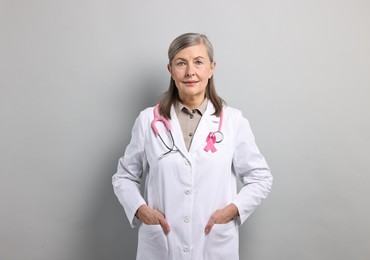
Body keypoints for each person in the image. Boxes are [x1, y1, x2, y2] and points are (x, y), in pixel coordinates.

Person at [112, 32, 273, 260]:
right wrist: (141, 209)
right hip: (162, 245)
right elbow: (124, 177)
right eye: (181, 63)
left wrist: (232, 210)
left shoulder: (234, 122)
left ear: (211, 68)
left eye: (198, 62)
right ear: (170, 70)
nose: (190, 72)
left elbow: (261, 177)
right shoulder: (148, 120)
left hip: (214, 244)